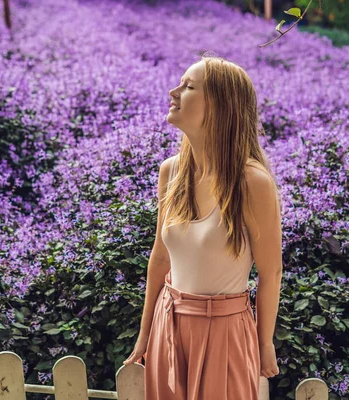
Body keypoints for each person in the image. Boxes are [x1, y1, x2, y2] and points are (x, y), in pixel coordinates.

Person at [122, 55, 283, 399]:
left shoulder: (252, 183)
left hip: (225, 332)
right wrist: (145, 333)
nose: (174, 91)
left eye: (189, 86)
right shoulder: (171, 172)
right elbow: (160, 261)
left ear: (220, 106)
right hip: (169, 323)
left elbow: (271, 273)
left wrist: (263, 342)